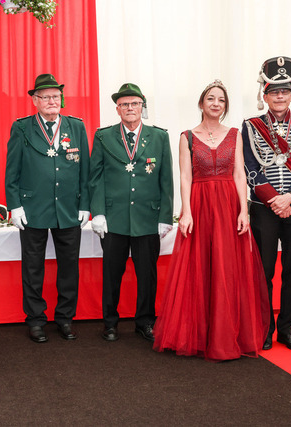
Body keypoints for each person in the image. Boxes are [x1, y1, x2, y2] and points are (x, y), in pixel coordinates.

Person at [153, 80, 269, 361]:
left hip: (228, 206)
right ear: (201, 103)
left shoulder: (235, 134)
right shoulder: (187, 137)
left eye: (221, 100)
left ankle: (226, 335)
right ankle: (198, 335)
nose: (216, 103)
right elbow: (185, 177)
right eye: (211, 99)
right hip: (201, 205)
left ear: (225, 106)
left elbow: (240, 174)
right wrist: (186, 211)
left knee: (227, 267)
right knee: (200, 266)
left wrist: (243, 211)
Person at [5, 74, 90, 343]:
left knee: (69, 267)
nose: (52, 101)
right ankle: (35, 319)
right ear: (35, 100)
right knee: (32, 268)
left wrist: (85, 204)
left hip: (68, 209)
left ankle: (65, 318)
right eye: (46, 97)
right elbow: (12, 171)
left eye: (56, 96)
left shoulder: (76, 126)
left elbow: (85, 170)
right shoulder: (22, 128)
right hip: (33, 209)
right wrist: (15, 206)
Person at [242, 57, 291, 352]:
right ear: (265, 95)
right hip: (264, 209)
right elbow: (250, 168)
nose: (279, 96)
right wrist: (274, 200)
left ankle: (287, 329)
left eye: (285, 91)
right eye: (274, 91)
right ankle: (264, 327)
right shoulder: (251, 127)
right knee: (263, 272)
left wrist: (290, 197)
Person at [89, 83, 173, 342]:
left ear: (142, 106)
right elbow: (95, 178)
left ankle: (145, 321)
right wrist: (98, 212)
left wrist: (165, 216)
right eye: (124, 104)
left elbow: (166, 179)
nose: (129, 108)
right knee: (111, 274)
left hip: (147, 218)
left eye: (134, 103)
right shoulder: (103, 137)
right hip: (113, 218)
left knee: (147, 274)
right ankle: (110, 323)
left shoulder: (159, 137)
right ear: (117, 109)